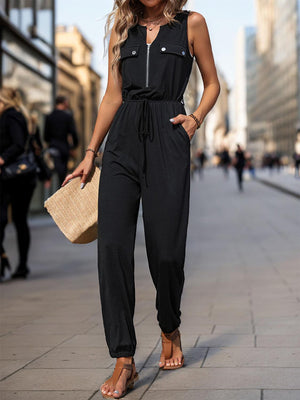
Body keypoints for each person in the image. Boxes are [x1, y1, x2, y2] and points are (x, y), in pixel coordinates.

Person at [62, 1, 220, 398]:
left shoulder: (192, 24)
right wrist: (90, 153)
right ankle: (124, 358)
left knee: (166, 250)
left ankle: (170, 325)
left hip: (169, 137)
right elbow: (112, 96)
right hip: (122, 146)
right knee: (112, 247)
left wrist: (194, 119)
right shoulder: (123, 28)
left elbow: (213, 83)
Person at [0, 87, 37, 280]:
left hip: (14, 176)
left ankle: (20, 265)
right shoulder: (21, 114)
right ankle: (17, 264)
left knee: (16, 220)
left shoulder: (10, 116)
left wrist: (2, 159)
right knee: (19, 220)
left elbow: (17, 143)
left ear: (4, 102)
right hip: (21, 177)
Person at [44, 95, 79, 186]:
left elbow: (45, 136)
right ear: (64, 103)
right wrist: (73, 146)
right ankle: (60, 195)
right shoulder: (67, 116)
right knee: (62, 177)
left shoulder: (49, 116)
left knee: (51, 172)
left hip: (52, 149)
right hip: (63, 150)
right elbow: (73, 133)